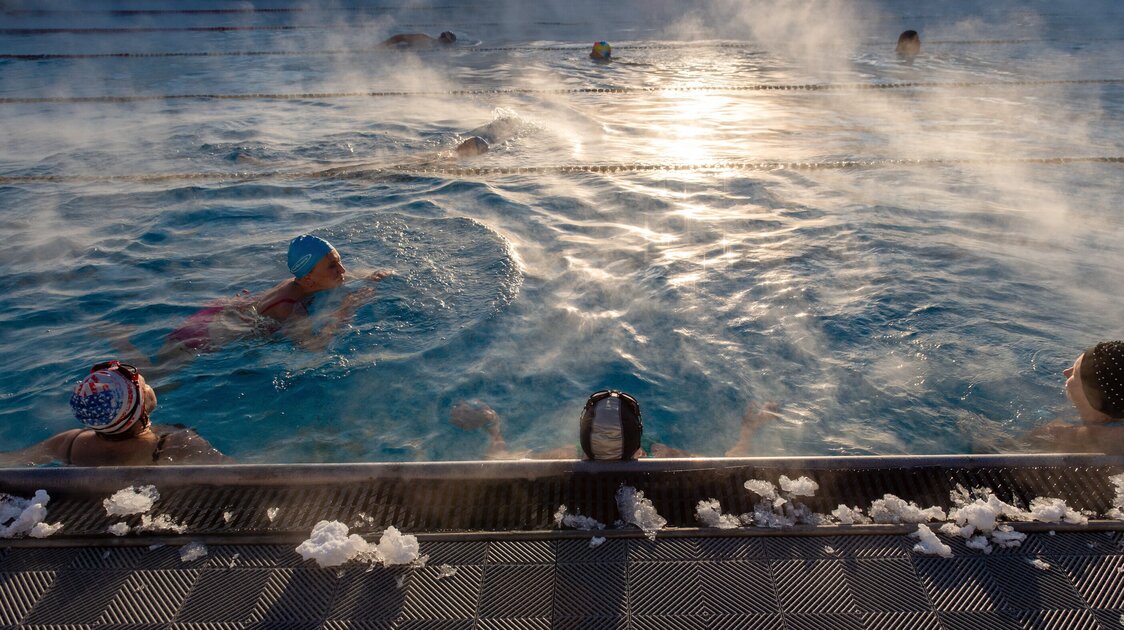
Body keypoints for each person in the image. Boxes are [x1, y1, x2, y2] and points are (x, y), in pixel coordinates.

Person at [103, 235, 390, 382]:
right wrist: (346, 310)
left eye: (339, 260)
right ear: (308, 278)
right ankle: (119, 339)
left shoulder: (304, 280)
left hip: (227, 312)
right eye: (333, 265)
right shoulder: (289, 308)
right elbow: (312, 348)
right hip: (209, 334)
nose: (342, 269)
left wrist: (368, 275)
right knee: (157, 378)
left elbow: (338, 278)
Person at [0, 361, 230, 467]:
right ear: (140, 408)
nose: (149, 386)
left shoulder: (69, 442)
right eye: (145, 386)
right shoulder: (175, 444)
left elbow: (12, 460)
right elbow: (234, 475)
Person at [449, 390, 779, 460]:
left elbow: (499, 463)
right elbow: (729, 464)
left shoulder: (567, 456)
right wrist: (749, 427)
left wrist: (493, 425)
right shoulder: (658, 454)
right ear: (639, 434)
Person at [378, 31, 456, 49]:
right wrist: (381, 46)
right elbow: (399, 37)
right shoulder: (424, 38)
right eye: (447, 40)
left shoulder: (436, 48)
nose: (447, 43)